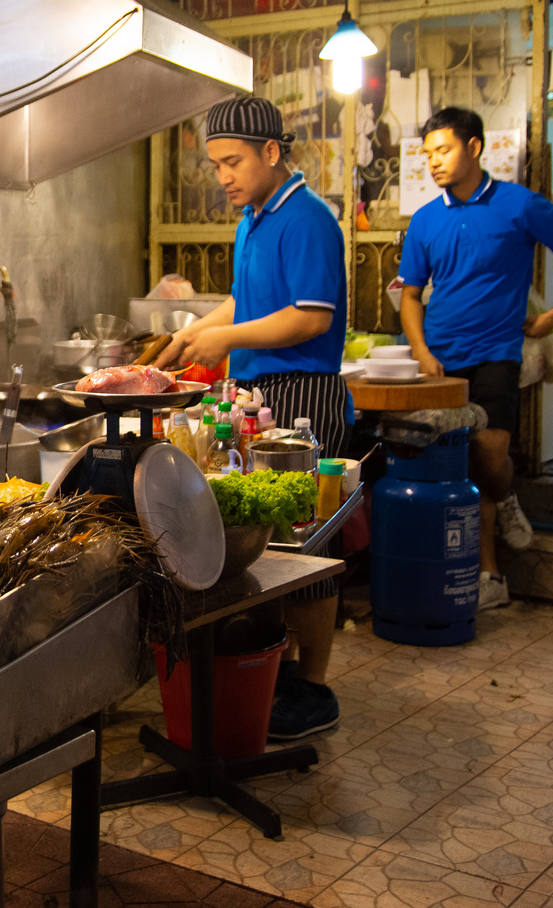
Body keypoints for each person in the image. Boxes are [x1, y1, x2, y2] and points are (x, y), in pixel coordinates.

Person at [157, 94, 348, 742]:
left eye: (233, 161)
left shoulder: (308, 219)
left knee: (303, 546)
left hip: (305, 392)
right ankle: (280, 670)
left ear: (272, 151)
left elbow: (311, 316)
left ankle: (315, 687)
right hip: (261, 393)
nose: (224, 177)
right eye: (216, 165)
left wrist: (228, 338)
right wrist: (192, 334)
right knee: (267, 542)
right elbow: (246, 299)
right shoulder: (253, 220)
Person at [399, 107, 553, 611]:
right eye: (428, 154)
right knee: (456, 463)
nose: (434, 162)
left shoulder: (520, 205)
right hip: (439, 360)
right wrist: (421, 352)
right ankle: (487, 575)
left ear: (475, 148)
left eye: (443, 150)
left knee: (488, 456)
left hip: (495, 354)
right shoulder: (424, 221)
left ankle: (504, 496)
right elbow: (410, 296)